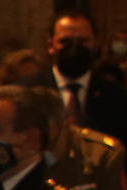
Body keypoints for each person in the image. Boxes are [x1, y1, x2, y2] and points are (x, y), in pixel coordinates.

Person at [48, 10, 127, 144]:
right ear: (51, 45)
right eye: (65, 41)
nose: (74, 48)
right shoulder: (28, 92)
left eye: (82, 41)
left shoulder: (117, 97)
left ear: (95, 44)